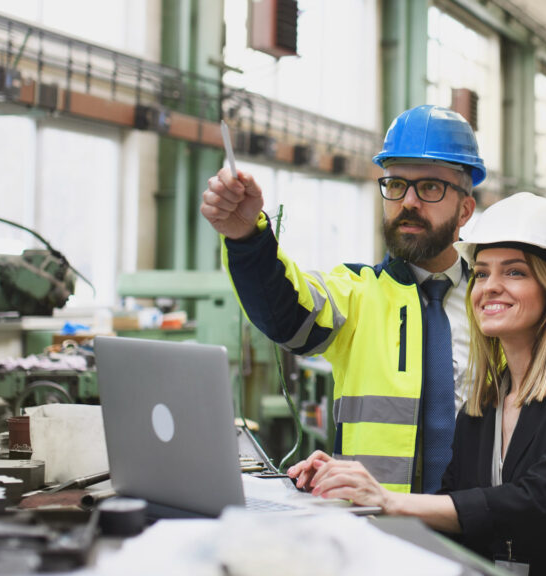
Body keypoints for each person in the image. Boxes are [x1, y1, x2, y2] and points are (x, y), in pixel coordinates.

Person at [289, 192, 546, 576]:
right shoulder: (483, 404)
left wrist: (387, 499)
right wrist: (345, 495)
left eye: (514, 272)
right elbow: (452, 517)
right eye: (482, 272)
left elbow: (541, 501)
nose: (489, 286)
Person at [200, 105, 485, 494]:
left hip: (473, 525)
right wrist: (247, 238)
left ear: (465, 209)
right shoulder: (356, 291)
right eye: (396, 183)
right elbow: (287, 312)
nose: (409, 202)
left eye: (431, 187)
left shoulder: (493, 302)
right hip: (373, 527)